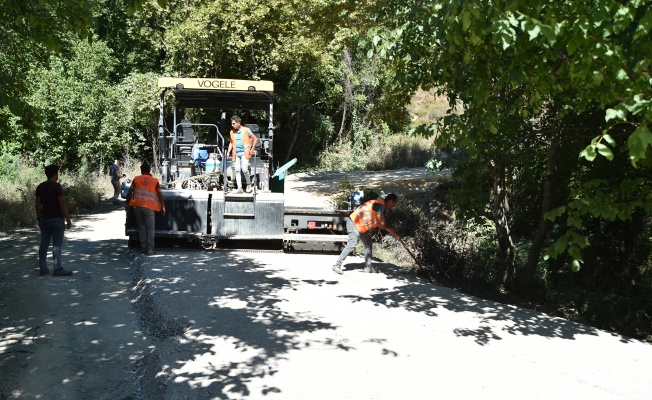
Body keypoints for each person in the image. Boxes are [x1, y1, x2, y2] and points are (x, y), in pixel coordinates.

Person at [332, 193, 400, 275]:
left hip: (361, 226)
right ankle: (337, 265)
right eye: (394, 203)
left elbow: (383, 223)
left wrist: (394, 233)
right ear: (390, 201)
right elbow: (381, 224)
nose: (394, 205)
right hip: (354, 223)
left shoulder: (381, 207)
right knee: (352, 244)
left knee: (368, 243)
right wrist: (394, 233)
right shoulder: (379, 205)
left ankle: (368, 267)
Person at [35, 165, 73, 276]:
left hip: (44, 219)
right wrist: (68, 219)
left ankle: (43, 268)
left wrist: (38, 218)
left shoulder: (40, 187)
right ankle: (57, 269)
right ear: (55, 174)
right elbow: (62, 203)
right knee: (57, 245)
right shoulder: (57, 187)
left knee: (44, 243)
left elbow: (37, 205)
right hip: (56, 219)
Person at [125, 163, 166, 255]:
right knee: (151, 228)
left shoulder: (136, 179)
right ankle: (150, 249)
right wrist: (162, 206)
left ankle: (143, 247)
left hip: (137, 206)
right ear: (149, 170)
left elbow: (129, 192)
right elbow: (159, 194)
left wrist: (127, 204)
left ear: (141, 170)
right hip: (149, 207)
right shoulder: (155, 181)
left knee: (141, 226)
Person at [227, 116, 259, 193]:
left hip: (244, 153)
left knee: (244, 169)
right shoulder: (232, 132)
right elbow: (231, 142)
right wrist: (228, 152)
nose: (232, 125)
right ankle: (239, 188)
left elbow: (255, 139)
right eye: (231, 123)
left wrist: (252, 149)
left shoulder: (246, 130)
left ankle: (249, 185)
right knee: (237, 170)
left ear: (238, 123)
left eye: (233, 123)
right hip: (236, 154)